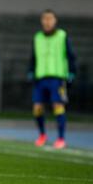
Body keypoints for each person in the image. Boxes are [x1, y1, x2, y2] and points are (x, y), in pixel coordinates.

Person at [28, 9, 76, 149]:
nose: (47, 22)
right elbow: (33, 56)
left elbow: (71, 55)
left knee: (58, 106)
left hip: (57, 78)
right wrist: (30, 70)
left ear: (55, 21)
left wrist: (72, 71)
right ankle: (42, 135)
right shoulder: (37, 37)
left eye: (50, 19)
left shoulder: (62, 36)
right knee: (37, 108)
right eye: (45, 19)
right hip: (40, 77)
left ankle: (61, 138)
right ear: (42, 21)